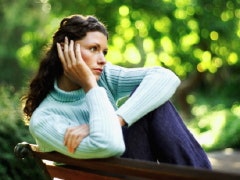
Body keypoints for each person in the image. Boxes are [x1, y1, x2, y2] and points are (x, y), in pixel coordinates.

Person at [22, 14, 211, 169]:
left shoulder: (104, 76)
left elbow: (167, 78)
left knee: (153, 102)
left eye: (104, 52)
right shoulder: (45, 119)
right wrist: (90, 86)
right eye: (93, 49)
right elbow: (109, 145)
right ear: (65, 51)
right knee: (149, 105)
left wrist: (117, 118)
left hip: (124, 170)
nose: (102, 59)